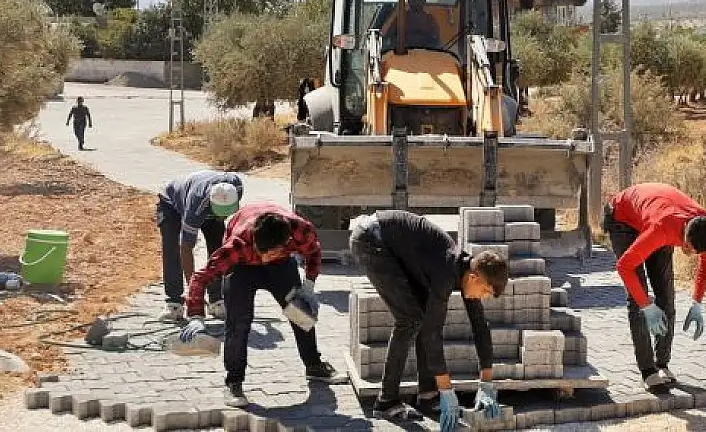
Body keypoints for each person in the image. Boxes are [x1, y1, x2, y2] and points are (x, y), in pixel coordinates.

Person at [349, 210, 508, 429]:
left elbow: (480, 327)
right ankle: (386, 402)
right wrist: (447, 389)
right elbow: (433, 333)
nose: (482, 298)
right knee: (410, 318)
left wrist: (486, 383)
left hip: (395, 246)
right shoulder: (446, 271)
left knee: (422, 319)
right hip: (372, 240)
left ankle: (427, 395)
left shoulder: (468, 274)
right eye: (484, 292)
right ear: (474, 278)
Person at [179, 202, 343, 407]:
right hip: (243, 268)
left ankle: (314, 366)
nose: (264, 258)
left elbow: (314, 252)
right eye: (261, 251)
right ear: (255, 241)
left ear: (287, 243)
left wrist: (309, 284)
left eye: (270, 253)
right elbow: (202, 277)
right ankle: (234, 382)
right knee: (238, 323)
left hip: (281, 267)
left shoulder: (301, 230)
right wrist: (195, 315)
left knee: (300, 313)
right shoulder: (238, 245)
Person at [603, 182, 706, 389]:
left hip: (656, 214)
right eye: (689, 248)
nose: (690, 253)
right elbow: (624, 267)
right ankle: (648, 371)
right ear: (685, 235)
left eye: (696, 252)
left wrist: (697, 303)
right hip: (623, 219)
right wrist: (647, 306)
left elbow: (705, 267)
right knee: (638, 297)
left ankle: (662, 364)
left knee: (666, 296)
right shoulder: (662, 229)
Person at [156, 171, 244, 322]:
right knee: (172, 247)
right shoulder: (195, 206)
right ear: (211, 203)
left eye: (226, 213)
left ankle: (216, 300)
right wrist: (195, 292)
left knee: (219, 249)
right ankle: (174, 303)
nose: (223, 217)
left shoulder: (236, 186)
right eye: (220, 213)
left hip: (204, 200)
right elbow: (186, 248)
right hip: (171, 204)